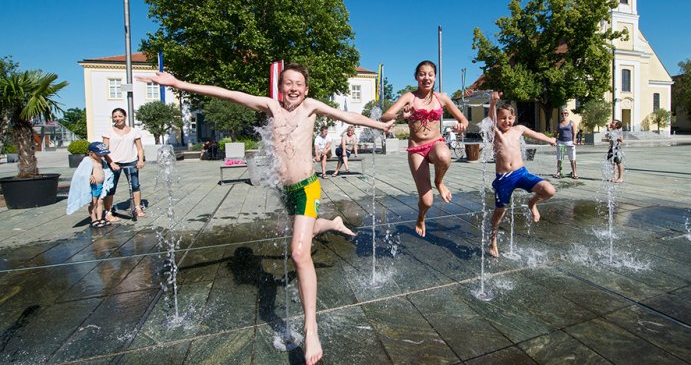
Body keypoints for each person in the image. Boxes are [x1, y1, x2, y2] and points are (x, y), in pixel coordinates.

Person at [138, 63, 394, 365]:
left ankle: (311, 328)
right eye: (288, 83)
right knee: (307, 231)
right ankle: (332, 223)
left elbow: (347, 116)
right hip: (286, 192)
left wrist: (379, 126)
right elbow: (229, 94)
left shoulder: (310, 107)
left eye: (299, 83)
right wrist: (181, 84)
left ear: (306, 88)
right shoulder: (271, 107)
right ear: (280, 87)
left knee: (299, 254)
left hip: (307, 188)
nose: (294, 89)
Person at [381, 60, 468, 238]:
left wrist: (462, 126)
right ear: (416, 77)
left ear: (435, 78)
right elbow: (385, 116)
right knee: (427, 201)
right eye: (422, 74)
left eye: (430, 74)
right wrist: (401, 115)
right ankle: (421, 217)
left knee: (444, 155)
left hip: (435, 144)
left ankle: (439, 182)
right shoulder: (409, 97)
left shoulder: (441, 98)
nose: (426, 78)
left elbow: (463, 120)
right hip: (416, 150)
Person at [488, 91, 557, 257]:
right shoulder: (495, 132)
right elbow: (491, 120)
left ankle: (532, 203)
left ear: (514, 118)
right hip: (504, 178)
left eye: (509, 118)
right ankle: (493, 240)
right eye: (503, 118)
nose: (507, 121)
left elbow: (536, 134)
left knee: (549, 190)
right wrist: (492, 103)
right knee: (500, 211)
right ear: (498, 118)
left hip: (521, 173)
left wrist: (550, 140)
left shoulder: (518, 129)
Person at [103, 108, 145, 221]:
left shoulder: (134, 131)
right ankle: (108, 212)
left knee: (135, 185)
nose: (117, 119)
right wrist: (111, 162)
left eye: (120, 116)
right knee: (110, 187)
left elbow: (140, 148)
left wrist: (140, 160)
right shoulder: (108, 131)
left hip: (131, 162)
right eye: (115, 117)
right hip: (114, 162)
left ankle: (137, 207)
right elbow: (104, 150)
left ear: (125, 117)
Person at [66, 142, 115, 228]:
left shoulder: (100, 160)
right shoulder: (87, 160)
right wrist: (88, 176)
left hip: (101, 185)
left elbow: (105, 170)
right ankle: (93, 219)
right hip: (93, 186)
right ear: (91, 153)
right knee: (93, 202)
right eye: (99, 154)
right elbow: (81, 173)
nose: (101, 156)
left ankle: (100, 218)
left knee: (100, 202)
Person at [554, 108, 578, 179]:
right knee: (560, 158)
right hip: (561, 142)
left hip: (570, 142)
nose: (564, 115)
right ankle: (558, 172)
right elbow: (556, 133)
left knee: (572, 158)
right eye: (562, 113)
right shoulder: (559, 123)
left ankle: (574, 173)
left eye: (565, 113)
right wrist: (553, 140)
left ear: (568, 114)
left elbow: (574, 133)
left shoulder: (572, 123)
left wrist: (574, 140)